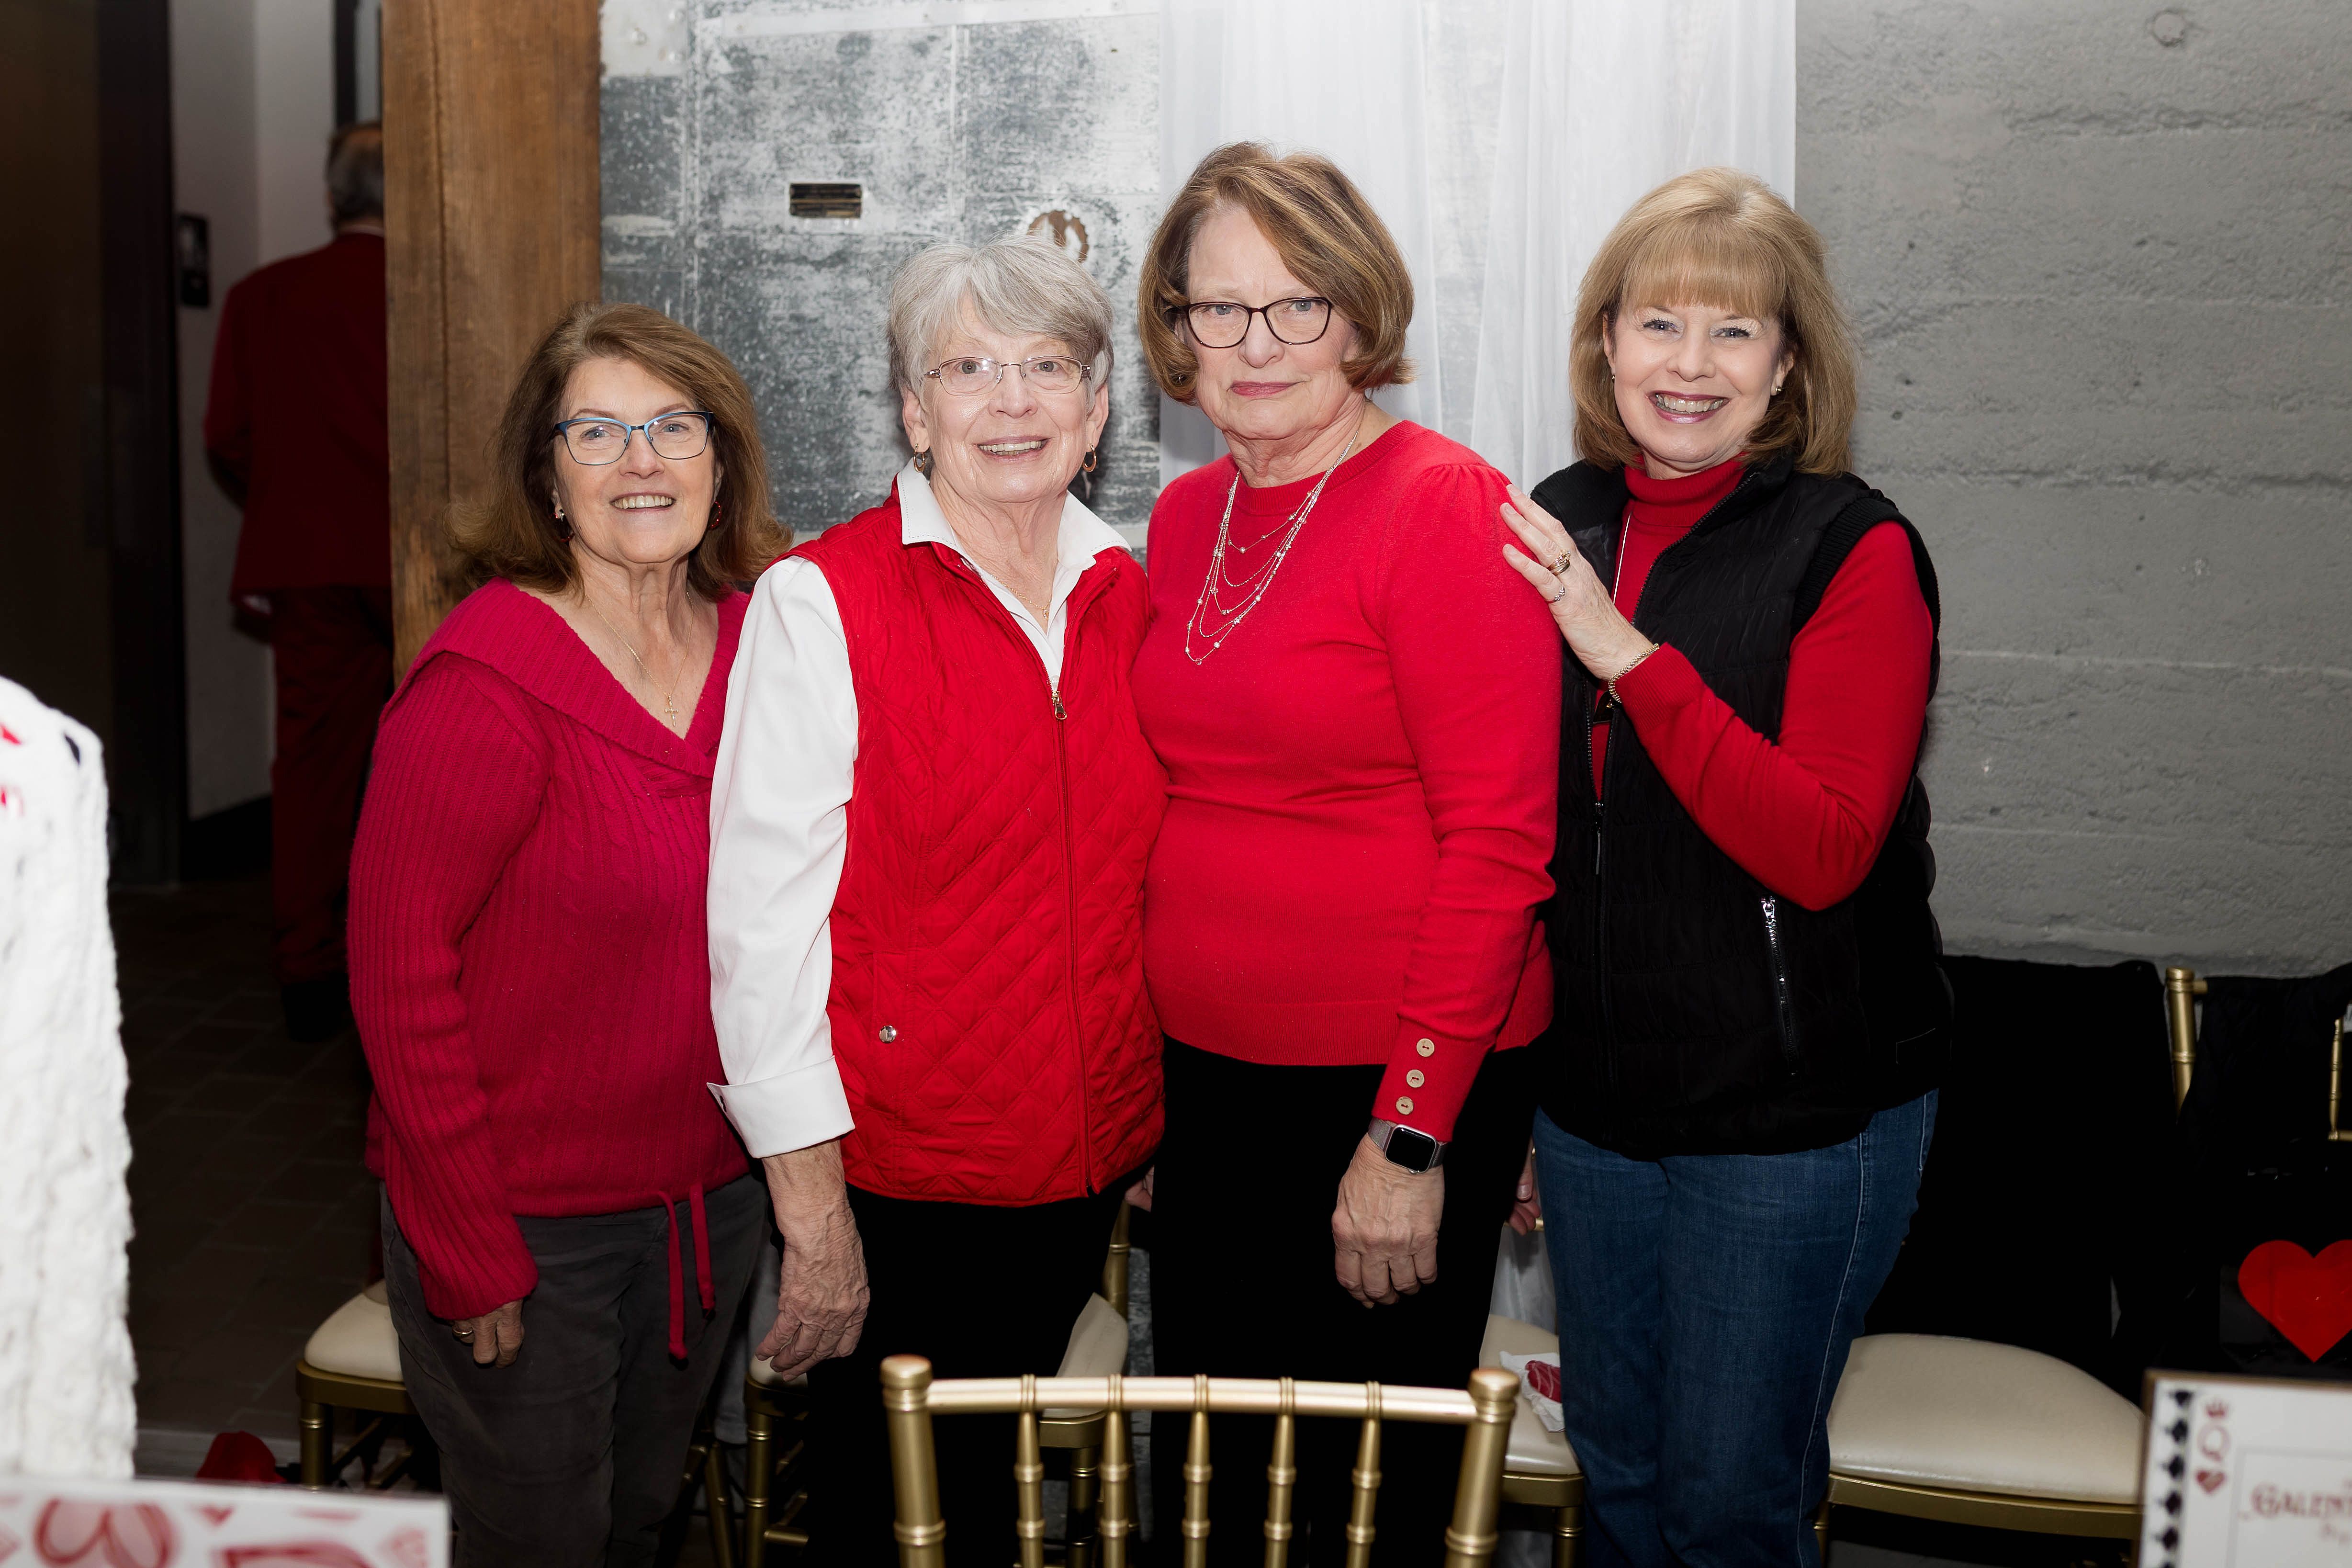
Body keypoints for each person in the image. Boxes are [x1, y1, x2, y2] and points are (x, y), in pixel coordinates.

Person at [1498, 168, 1948, 1568]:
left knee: (1728, 1510)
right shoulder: (1554, 516)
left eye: (1734, 333)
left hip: (1794, 1128)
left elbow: (1820, 849)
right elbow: (1525, 836)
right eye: (1657, 325)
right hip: (1593, 1118)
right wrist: (1513, 1085)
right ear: (1606, 346)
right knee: (1619, 1481)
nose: (1688, 366)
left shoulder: (1853, 549)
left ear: (1788, 367)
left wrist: (1629, 659)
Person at [1128, 143, 1561, 1564]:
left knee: (1349, 1509)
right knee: (1213, 1474)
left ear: (1362, 316)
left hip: (1383, 1087)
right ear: (1171, 325)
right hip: (1215, 1084)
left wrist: (1411, 1135)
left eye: (1295, 305)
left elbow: (1500, 844)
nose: (1254, 346)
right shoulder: (1189, 513)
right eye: (1216, 308)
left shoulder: (1444, 505)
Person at [706, 237, 1163, 1568]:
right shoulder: (821, 600)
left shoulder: (1137, 590)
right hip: (902, 1177)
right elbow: (758, 935)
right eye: (967, 367)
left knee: (1008, 1515)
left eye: (1046, 368)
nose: (1009, 401)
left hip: (1086, 1160)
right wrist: (813, 1212)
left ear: (1094, 412)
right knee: (893, 1525)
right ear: (915, 410)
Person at [349, 303, 785, 1566]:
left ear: (723, 458)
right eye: (596, 431)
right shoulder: (485, 681)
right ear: (548, 475)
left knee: (641, 1519)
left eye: (671, 427)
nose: (640, 461)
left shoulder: (765, 649)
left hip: (709, 1202)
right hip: (524, 1226)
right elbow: (395, 973)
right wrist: (469, 1239)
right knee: (538, 1539)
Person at [203, 121, 392, 1042]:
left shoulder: (262, 296)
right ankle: (414, 957)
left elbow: (226, 440)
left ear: (333, 194)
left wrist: (295, 497)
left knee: (314, 764)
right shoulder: (429, 293)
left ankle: (308, 966)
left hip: (309, 557)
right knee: (440, 758)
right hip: (420, 554)